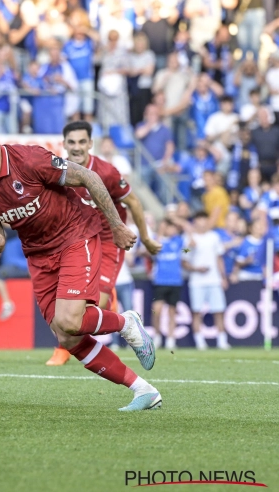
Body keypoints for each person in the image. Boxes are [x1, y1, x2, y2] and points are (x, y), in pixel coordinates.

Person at [0, 113, 160, 411]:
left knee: (68, 320)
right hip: (39, 255)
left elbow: (89, 177)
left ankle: (126, 323)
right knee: (65, 337)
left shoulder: (29, 160)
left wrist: (116, 225)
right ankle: (144, 391)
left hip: (75, 237)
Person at [44, 121, 162, 367]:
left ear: (90, 143)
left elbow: (135, 203)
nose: (76, 147)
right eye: (71, 142)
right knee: (61, 303)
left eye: (81, 142)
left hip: (107, 240)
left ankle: (116, 310)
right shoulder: (55, 171)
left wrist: (147, 238)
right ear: (64, 144)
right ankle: (63, 348)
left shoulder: (106, 172)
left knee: (95, 306)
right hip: (74, 241)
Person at [185, 211, 231, 350]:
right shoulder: (189, 238)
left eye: (205, 219)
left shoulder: (214, 237)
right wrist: (191, 251)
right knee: (197, 312)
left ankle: (222, 341)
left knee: (219, 311)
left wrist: (223, 277)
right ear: (195, 222)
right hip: (196, 281)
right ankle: (200, 342)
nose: (203, 222)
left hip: (214, 280)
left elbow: (219, 258)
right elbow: (183, 258)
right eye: (199, 219)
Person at [151, 219, 186, 350]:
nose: (171, 230)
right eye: (168, 227)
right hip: (160, 280)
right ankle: (157, 336)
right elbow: (153, 250)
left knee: (172, 311)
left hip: (175, 281)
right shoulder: (156, 240)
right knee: (157, 311)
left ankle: (171, 338)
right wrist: (160, 232)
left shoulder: (178, 241)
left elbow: (189, 248)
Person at [0, 229, 29, 322]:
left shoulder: (20, 233)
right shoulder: (1, 233)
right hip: (10, 267)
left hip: (20, 267)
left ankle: (7, 304)